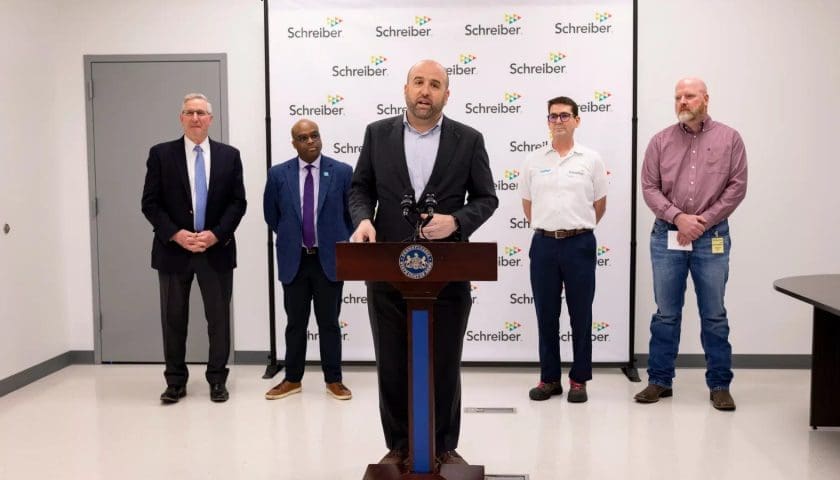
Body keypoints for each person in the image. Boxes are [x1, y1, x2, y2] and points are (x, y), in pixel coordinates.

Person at [349, 59, 498, 467]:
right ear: (406, 89)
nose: (425, 91)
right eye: (418, 82)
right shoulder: (376, 134)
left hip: (447, 274)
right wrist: (363, 219)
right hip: (387, 272)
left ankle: (444, 445)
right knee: (392, 364)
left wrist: (457, 221)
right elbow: (360, 188)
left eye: (435, 84)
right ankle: (399, 445)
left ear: (447, 94)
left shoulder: (469, 139)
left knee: (444, 364)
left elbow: (487, 198)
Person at [635, 77, 747, 411]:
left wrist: (701, 222)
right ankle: (659, 381)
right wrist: (679, 218)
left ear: (706, 99)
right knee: (666, 314)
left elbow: (737, 187)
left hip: (711, 238)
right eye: (678, 97)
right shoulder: (660, 141)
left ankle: (720, 385)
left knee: (714, 315)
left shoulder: (730, 138)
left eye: (689, 96)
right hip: (667, 235)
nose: (682, 101)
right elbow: (649, 187)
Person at [141, 93, 247, 403]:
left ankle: (217, 380)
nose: (196, 118)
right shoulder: (161, 154)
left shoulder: (229, 155)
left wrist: (216, 234)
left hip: (217, 250)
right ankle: (175, 381)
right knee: (173, 320)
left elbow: (238, 202)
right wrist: (175, 234)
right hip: (174, 252)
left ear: (210, 119)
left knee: (218, 321)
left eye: (201, 112)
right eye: (190, 112)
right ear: (181, 118)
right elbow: (150, 203)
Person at [520, 96, 607, 404]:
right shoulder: (533, 161)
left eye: (564, 115)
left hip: (579, 244)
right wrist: (550, 229)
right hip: (543, 244)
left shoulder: (591, 160)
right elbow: (528, 205)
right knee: (546, 314)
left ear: (576, 120)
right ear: (548, 121)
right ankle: (549, 379)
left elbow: (599, 204)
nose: (558, 121)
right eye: (553, 116)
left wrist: (574, 229)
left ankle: (579, 379)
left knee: (581, 314)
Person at [263, 119, 354, 401]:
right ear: (294, 143)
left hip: (328, 260)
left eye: (315, 135)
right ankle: (292, 379)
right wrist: (295, 237)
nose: (311, 141)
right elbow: (272, 215)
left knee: (329, 323)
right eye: (303, 138)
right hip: (295, 260)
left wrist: (335, 237)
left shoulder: (341, 172)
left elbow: (351, 215)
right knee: (295, 324)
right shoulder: (278, 174)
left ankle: (334, 380)